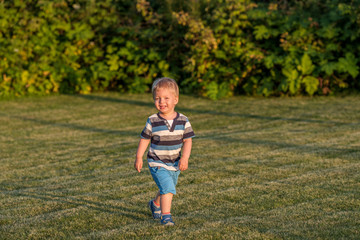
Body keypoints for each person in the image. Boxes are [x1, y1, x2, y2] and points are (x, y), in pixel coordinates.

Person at [134, 77, 195, 226]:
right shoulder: (153, 120)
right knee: (168, 188)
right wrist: (139, 157)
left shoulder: (183, 120)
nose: (162, 102)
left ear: (176, 99)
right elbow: (145, 139)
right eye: (158, 98)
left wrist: (185, 158)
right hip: (157, 161)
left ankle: (155, 204)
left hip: (174, 162)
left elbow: (187, 141)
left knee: (167, 187)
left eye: (166, 98)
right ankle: (166, 216)